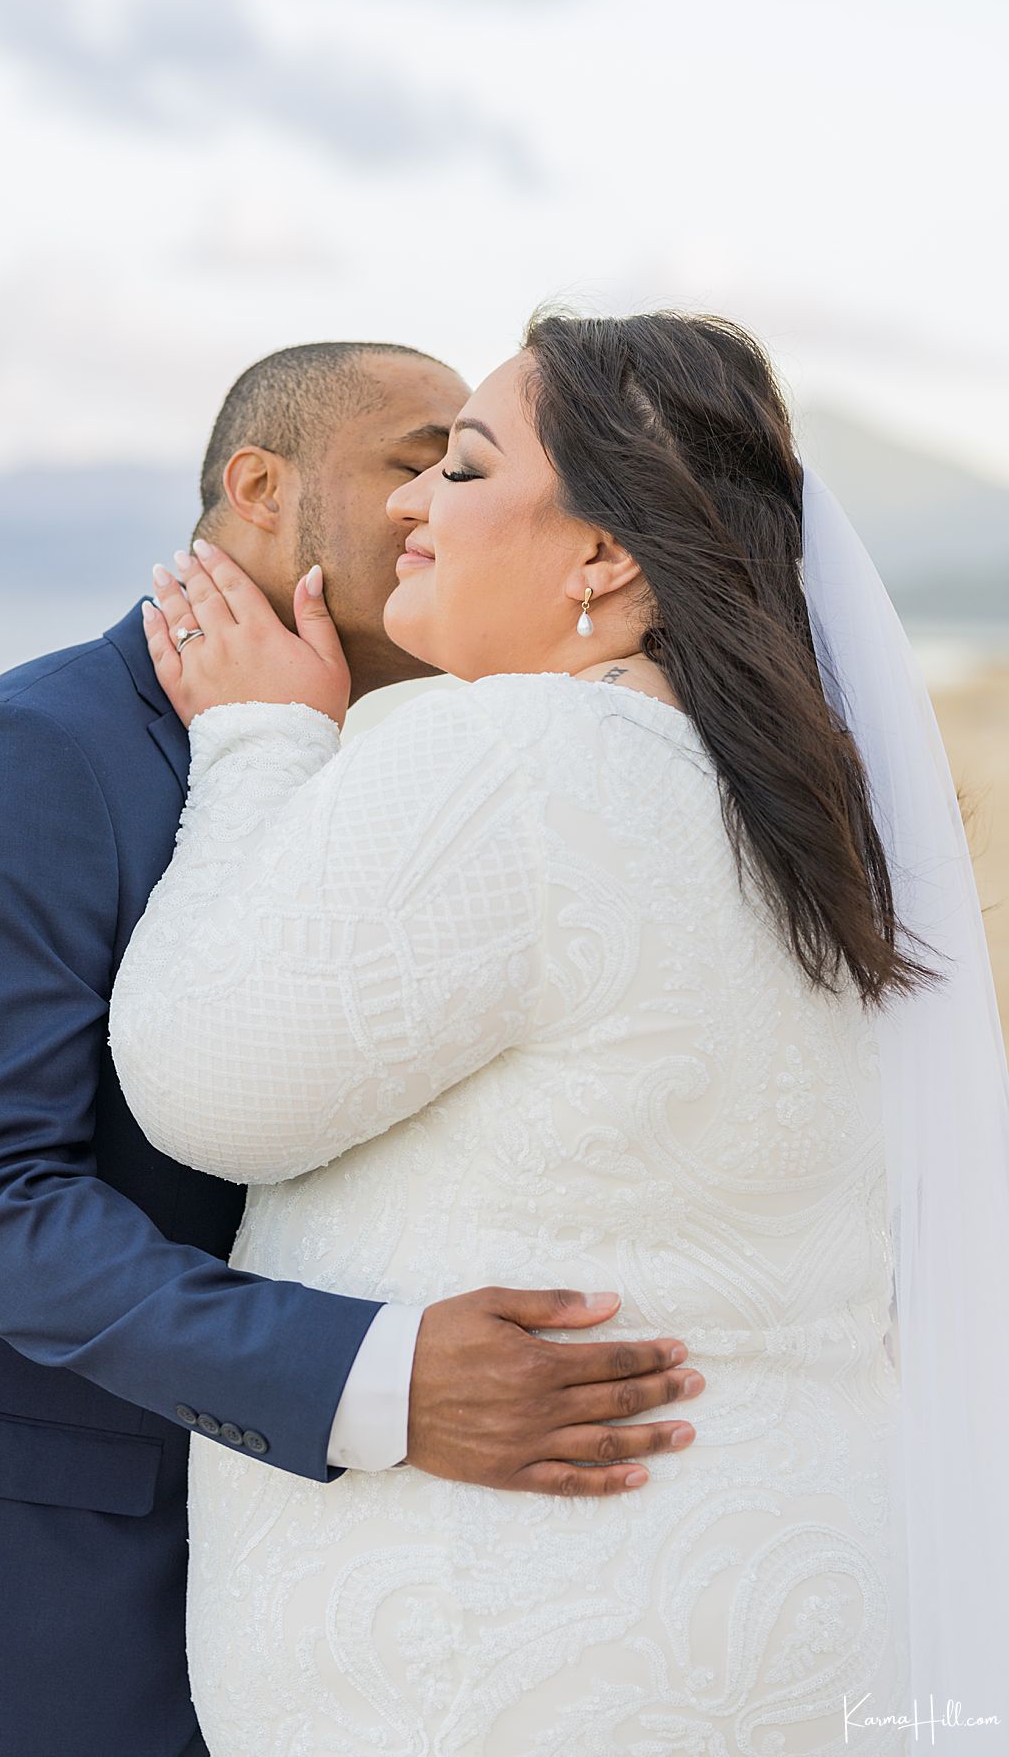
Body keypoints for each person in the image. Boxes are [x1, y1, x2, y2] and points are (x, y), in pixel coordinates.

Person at [0, 341, 701, 1757]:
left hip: (272, 1596)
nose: (437, 510)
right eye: (418, 460)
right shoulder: (26, 755)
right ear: (259, 487)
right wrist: (386, 1380)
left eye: (469, 469)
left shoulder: (364, 759)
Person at [110, 309, 926, 1753]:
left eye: (467, 470)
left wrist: (258, 741)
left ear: (604, 558)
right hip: (791, 1621)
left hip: (516, 1663)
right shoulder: (809, 828)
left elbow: (198, 1079)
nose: (417, 503)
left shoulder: (512, 755)